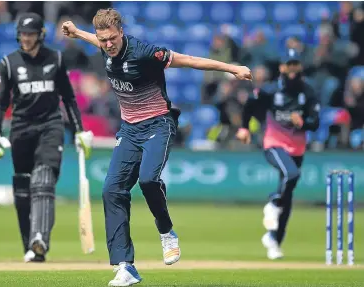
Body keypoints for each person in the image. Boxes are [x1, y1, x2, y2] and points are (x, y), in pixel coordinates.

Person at [62, 8, 252, 286]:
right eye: (103, 40)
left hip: (158, 124)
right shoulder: (105, 47)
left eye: (112, 38)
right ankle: (125, 267)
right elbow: (97, 41)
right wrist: (78, 33)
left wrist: (232, 69)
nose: (107, 44)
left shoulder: (144, 52)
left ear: (121, 33)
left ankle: (166, 231)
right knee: (111, 190)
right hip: (129, 130)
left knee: (148, 179)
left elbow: (188, 60)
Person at [0, 12, 94, 263]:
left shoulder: (55, 58)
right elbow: (0, 103)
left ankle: (40, 239)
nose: (26, 38)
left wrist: (79, 130)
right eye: (23, 34)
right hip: (21, 130)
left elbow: (68, 97)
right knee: (22, 190)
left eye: (30, 34)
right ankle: (30, 246)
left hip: (50, 127)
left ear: (40, 35)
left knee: (43, 180)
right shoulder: (9, 62)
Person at [236, 49, 320, 260]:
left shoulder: (308, 91)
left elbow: (316, 122)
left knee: (289, 197)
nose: (292, 70)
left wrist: (304, 123)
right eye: (288, 65)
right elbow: (250, 105)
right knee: (292, 176)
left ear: (300, 67)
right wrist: (244, 127)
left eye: (295, 65)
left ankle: (274, 240)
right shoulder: (271, 90)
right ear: (282, 68)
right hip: (274, 144)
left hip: (297, 148)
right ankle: (273, 202)